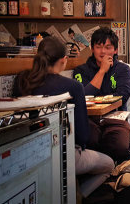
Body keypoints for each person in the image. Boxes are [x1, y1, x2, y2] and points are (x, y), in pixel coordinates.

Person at [13, 37, 114, 197]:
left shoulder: (20, 81)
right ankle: (77, 197)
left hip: (26, 154)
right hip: (64, 154)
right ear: (64, 60)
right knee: (109, 165)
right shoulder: (73, 86)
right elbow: (82, 136)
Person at [73, 27, 130, 162]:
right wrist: (102, 71)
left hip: (116, 119)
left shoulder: (123, 69)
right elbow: (82, 97)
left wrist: (97, 101)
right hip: (88, 120)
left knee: (120, 146)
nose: (103, 52)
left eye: (108, 47)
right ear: (92, 49)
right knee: (89, 141)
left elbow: (123, 96)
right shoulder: (81, 70)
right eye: (99, 47)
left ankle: (111, 172)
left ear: (115, 50)